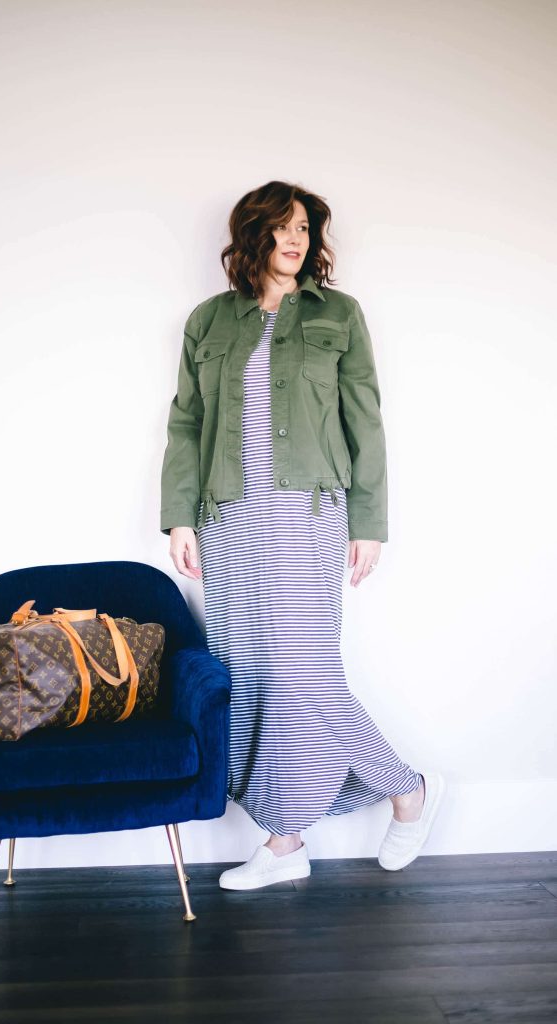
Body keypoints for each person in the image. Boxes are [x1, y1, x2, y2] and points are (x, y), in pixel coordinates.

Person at [160, 180, 445, 891]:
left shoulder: (337, 315)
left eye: (305, 229)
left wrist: (368, 523)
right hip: (228, 515)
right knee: (252, 675)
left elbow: (364, 423)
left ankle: (406, 788)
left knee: (300, 672)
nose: (296, 240)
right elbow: (186, 423)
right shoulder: (209, 321)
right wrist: (180, 514)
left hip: (308, 512)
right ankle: (284, 842)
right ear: (252, 235)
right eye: (282, 227)